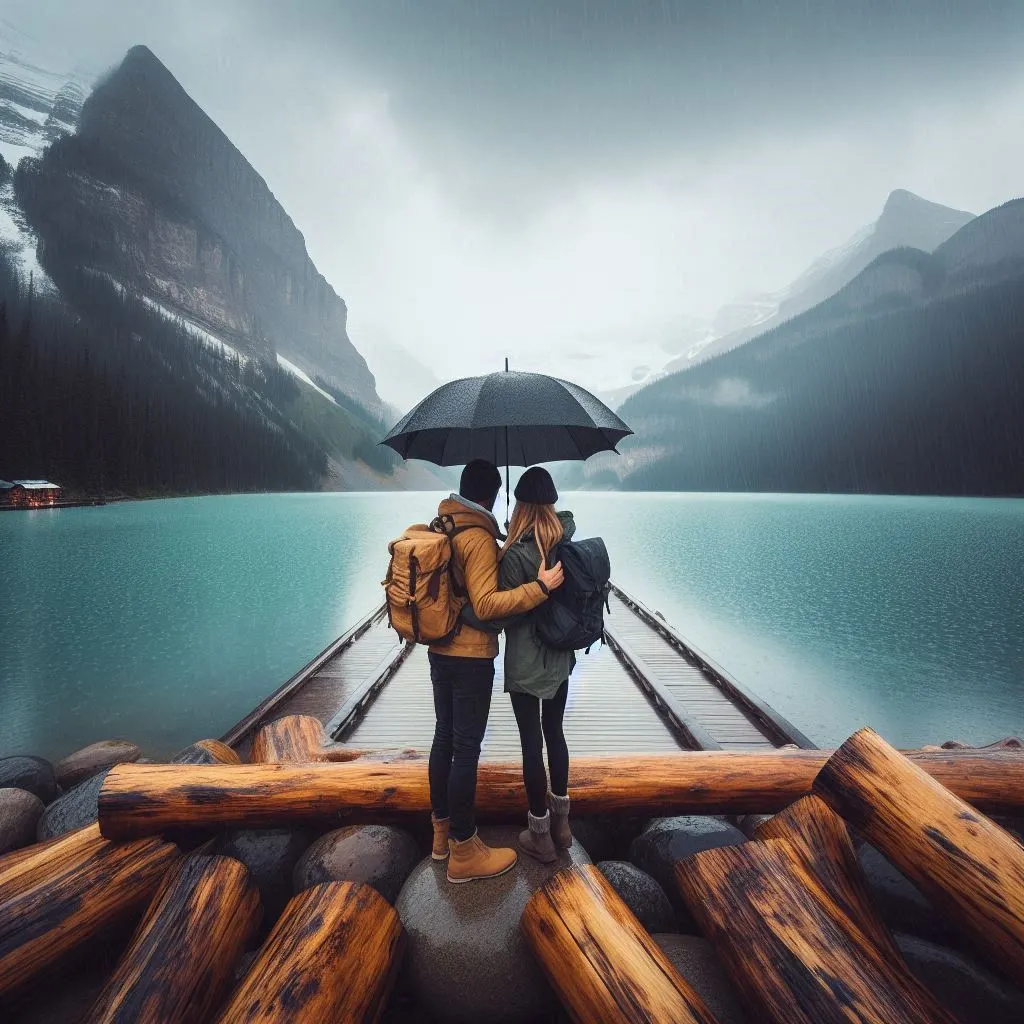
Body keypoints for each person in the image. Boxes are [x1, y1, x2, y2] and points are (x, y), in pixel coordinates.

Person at [429, 459, 565, 883]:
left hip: (445, 649)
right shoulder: (487, 539)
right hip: (504, 657)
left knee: (446, 738)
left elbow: (479, 602)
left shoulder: (445, 525)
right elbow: (490, 605)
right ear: (490, 496)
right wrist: (539, 587)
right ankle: (469, 848)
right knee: (473, 748)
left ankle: (443, 838)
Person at [498, 467, 576, 862]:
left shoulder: (515, 553)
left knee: (532, 743)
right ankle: (563, 825)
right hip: (561, 655)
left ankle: (540, 834)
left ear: (522, 505)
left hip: (526, 661)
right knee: (555, 732)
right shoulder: (566, 542)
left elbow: (505, 614)